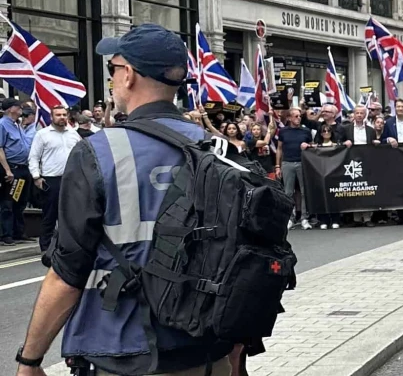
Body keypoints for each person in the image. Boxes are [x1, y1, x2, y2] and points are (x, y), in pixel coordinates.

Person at [15, 23, 234, 376]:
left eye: (112, 69)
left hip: (123, 349)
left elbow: (67, 274)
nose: (113, 79)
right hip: (208, 351)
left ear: (129, 75)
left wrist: (30, 360)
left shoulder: (98, 152)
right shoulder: (220, 150)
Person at [27, 105, 82, 258]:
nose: (62, 117)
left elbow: (81, 154)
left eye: (64, 114)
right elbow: (33, 157)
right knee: (50, 214)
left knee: (70, 214)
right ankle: (45, 246)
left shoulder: (73, 134)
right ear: (52, 117)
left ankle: (66, 244)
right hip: (51, 179)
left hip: (71, 178)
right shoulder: (42, 135)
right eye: (58, 115)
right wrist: (36, 177)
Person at [0, 98, 34, 246]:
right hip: (12, 169)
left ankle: (18, 232)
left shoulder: (17, 125)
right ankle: (6, 234)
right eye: (18, 107)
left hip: (23, 168)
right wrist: (7, 170)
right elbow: (0, 148)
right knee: (8, 202)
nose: (21, 109)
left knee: (20, 202)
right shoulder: (2, 125)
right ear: (10, 109)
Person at [275, 108, 315, 231]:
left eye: (299, 116)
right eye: (296, 116)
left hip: (303, 163)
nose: (298, 118)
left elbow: (313, 146)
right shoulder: (283, 131)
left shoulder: (306, 131)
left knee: (304, 192)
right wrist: (278, 166)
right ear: (289, 118)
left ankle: (304, 218)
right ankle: (290, 218)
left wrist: (308, 145)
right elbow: (279, 148)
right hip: (287, 163)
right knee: (288, 192)